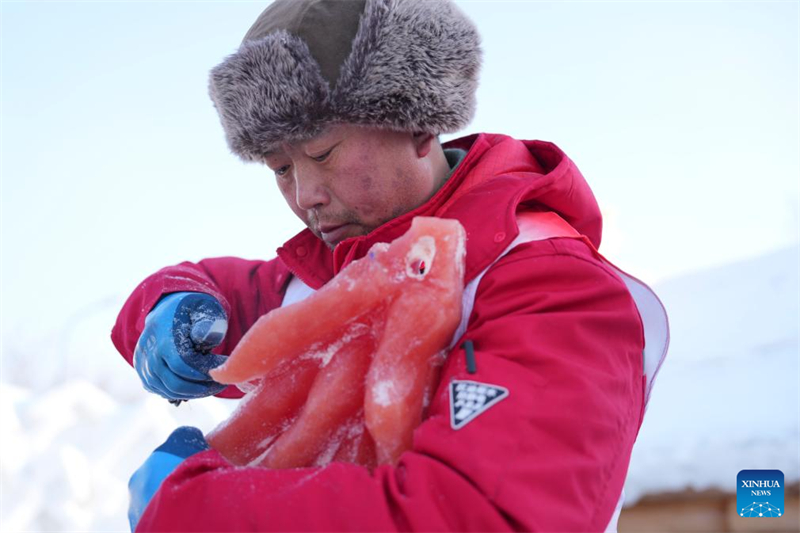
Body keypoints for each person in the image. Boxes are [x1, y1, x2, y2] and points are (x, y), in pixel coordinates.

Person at [112, 0, 669, 531]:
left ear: (418, 125)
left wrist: (195, 512)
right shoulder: (332, 273)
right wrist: (170, 304)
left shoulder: (552, 289)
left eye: (322, 153)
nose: (305, 195)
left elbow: (477, 516)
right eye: (280, 168)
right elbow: (221, 289)